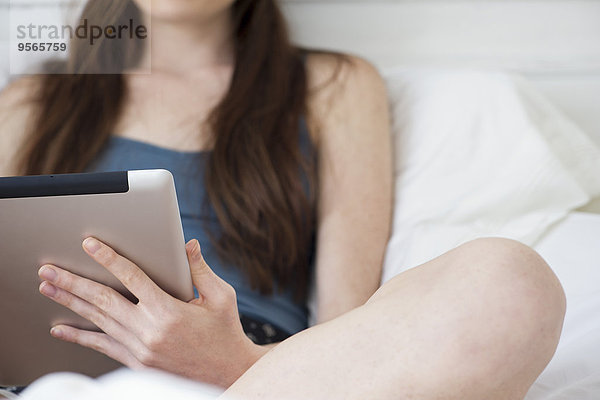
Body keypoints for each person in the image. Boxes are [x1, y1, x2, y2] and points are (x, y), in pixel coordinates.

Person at [0, 0, 566, 399]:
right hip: (59, 373)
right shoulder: (32, 101)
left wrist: (233, 363)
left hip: (276, 372)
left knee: (512, 280)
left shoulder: (334, 86)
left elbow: (352, 321)